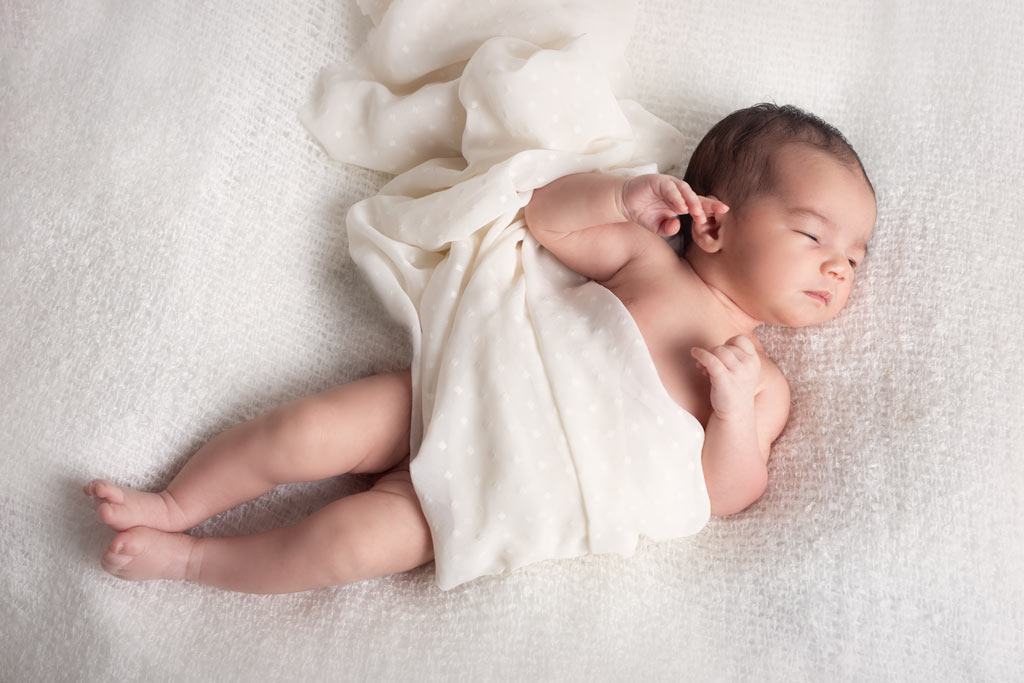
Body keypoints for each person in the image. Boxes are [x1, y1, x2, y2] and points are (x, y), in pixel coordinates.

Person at [83, 103, 876, 594]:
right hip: (455, 392)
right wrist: (618, 195)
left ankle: (194, 564)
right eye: (814, 236)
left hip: (493, 492)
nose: (840, 266)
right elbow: (547, 220)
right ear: (714, 222)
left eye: (855, 256)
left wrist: (731, 414)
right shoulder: (648, 261)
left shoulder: (762, 384)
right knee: (303, 430)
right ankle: (177, 504)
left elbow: (724, 492)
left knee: (346, 544)